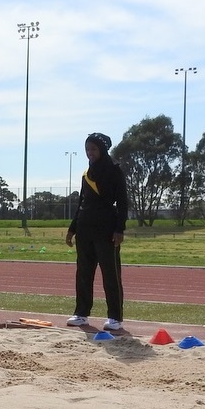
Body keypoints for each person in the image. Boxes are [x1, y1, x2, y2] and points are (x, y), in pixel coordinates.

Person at [65, 132, 129, 331]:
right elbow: (81, 203)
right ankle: (81, 313)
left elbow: (123, 203)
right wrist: (72, 229)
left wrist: (120, 229)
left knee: (111, 274)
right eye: (87, 149)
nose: (89, 153)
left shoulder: (114, 171)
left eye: (93, 149)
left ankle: (115, 317)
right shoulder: (86, 174)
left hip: (106, 229)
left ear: (102, 149)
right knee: (83, 273)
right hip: (85, 228)